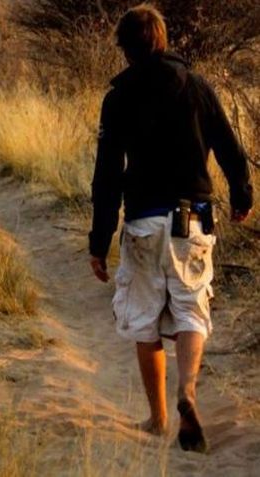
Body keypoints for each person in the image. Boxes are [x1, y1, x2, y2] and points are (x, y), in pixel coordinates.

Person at [88, 4, 253, 453]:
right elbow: (230, 149)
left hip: (142, 221)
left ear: (126, 48)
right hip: (192, 220)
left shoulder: (117, 97)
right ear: (163, 39)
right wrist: (242, 195)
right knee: (190, 310)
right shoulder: (197, 86)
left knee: (143, 320)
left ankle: (159, 417)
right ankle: (189, 393)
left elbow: (106, 175)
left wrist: (98, 242)